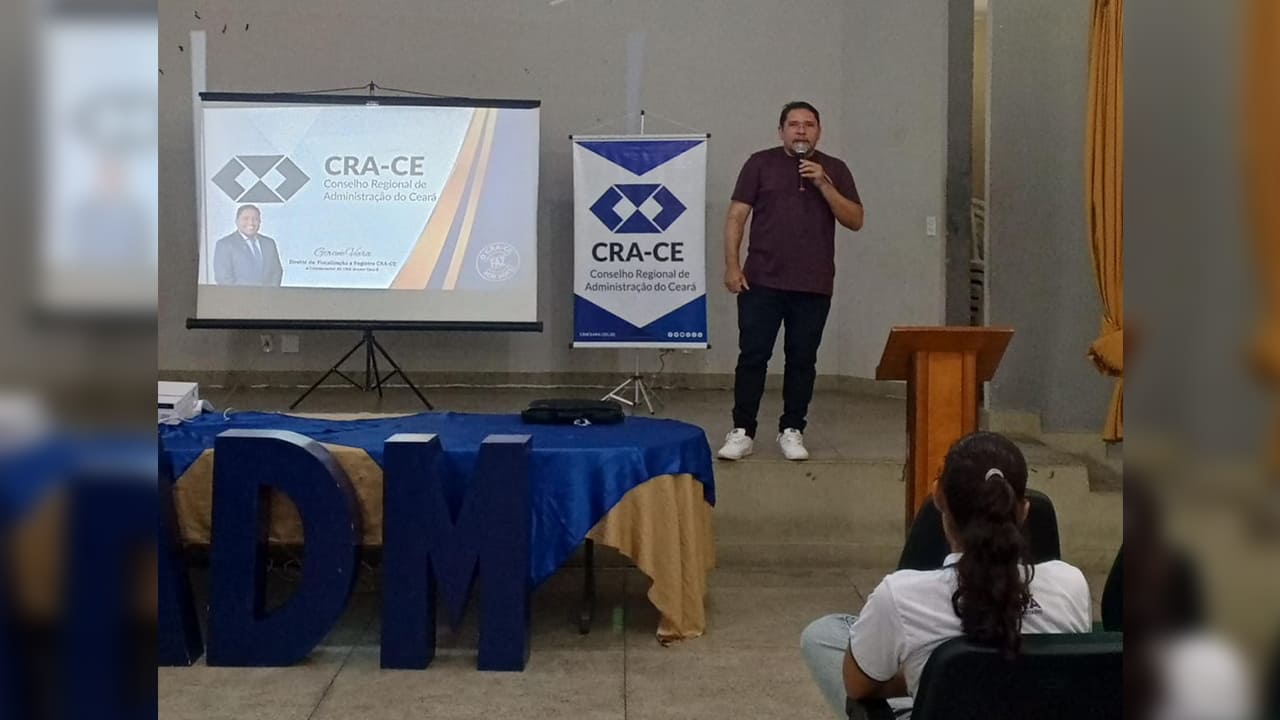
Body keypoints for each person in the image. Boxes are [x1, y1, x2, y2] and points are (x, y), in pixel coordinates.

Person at [800, 432, 1092, 719]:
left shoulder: (900, 595)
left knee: (823, 634)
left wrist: (922, 675)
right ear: (1025, 510)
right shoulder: (1071, 584)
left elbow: (858, 687)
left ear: (938, 498)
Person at [718, 101, 863, 462]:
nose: (801, 130)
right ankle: (742, 431)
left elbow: (855, 220)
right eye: (794, 124)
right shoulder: (759, 164)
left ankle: (792, 429)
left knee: (802, 359)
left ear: (819, 131)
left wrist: (823, 184)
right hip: (761, 281)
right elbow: (736, 216)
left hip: (813, 284)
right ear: (781, 131)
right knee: (753, 356)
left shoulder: (835, 169)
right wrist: (732, 266)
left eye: (809, 124)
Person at [213, 204, 283, 286]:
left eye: (255, 219)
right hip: (238, 294)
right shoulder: (224, 245)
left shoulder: (269, 243)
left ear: (260, 222)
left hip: (268, 294)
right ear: (237, 221)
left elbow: (277, 272)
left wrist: (270, 292)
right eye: (245, 219)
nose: (251, 223)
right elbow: (223, 279)